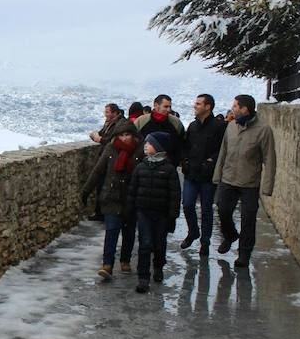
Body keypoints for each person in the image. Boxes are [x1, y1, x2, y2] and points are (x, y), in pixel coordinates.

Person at [212, 94, 276, 268]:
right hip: (228, 179)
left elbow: (269, 159)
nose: (233, 108)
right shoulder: (231, 126)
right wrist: (217, 176)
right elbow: (223, 152)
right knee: (223, 210)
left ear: (245, 109)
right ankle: (230, 235)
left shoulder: (264, 130)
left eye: (235, 106)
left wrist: (267, 186)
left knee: (248, 219)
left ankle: (244, 253)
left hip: (249, 183)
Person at [81, 121, 144, 280]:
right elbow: (98, 170)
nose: (123, 138)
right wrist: (86, 191)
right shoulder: (111, 149)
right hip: (111, 196)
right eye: (121, 135)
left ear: (133, 135)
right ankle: (107, 264)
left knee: (129, 231)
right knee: (112, 230)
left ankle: (125, 260)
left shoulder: (140, 151)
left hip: (131, 198)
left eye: (127, 135)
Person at [126, 133, 181, 293]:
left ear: (157, 147)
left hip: (162, 213)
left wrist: (173, 215)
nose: (145, 146)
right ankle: (143, 278)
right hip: (143, 212)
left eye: (148, 143)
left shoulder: (169, 169)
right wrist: (129, 211)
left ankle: (158, 266)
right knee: (145, 244)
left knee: (159, 243)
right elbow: (132, 191)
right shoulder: (140, 167)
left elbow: (175, 194)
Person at [180, 94, 227, 256]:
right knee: (187, 204)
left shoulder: (219, 126)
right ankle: (193, 231)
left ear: (208, 107)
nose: (195, 106)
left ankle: (205, 242)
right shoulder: (192, 126)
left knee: (206, 209)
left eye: (199, 104)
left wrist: (210, 162)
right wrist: (184, 161)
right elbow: (186, 146)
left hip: (207, 176)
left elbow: (222, 148)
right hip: (191, 174)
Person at [135, 94, 185, 163]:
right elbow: (134, 140)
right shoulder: (141, 121)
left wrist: (177, 161)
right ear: (156, 105)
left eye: (170, 107)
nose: (169, 110)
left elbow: (181, 143)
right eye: (166, 107)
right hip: (144, 164)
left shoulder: (176, 122)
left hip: (168, 166)